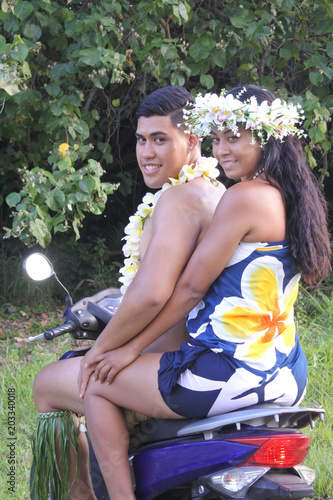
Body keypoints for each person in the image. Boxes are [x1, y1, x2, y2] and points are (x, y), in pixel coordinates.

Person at [81, 85, 331, 500]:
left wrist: (129, 347)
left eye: (234, 137)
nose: (223, 150)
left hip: (232, 371)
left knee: (98, 385)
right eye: (217, 139)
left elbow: (190, 288)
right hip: (287, 373)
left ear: (264, 136)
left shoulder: (244, 197)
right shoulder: (290, 196)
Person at [31, 86, 226, 500]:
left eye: (160, 139)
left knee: (47, 384)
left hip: (171, 361)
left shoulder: (178, 198)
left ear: (192, 140)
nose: (146, 152)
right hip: (193, 352)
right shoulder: (212, 192)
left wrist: (106, 346)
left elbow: (153, 294)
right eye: (141, 139)